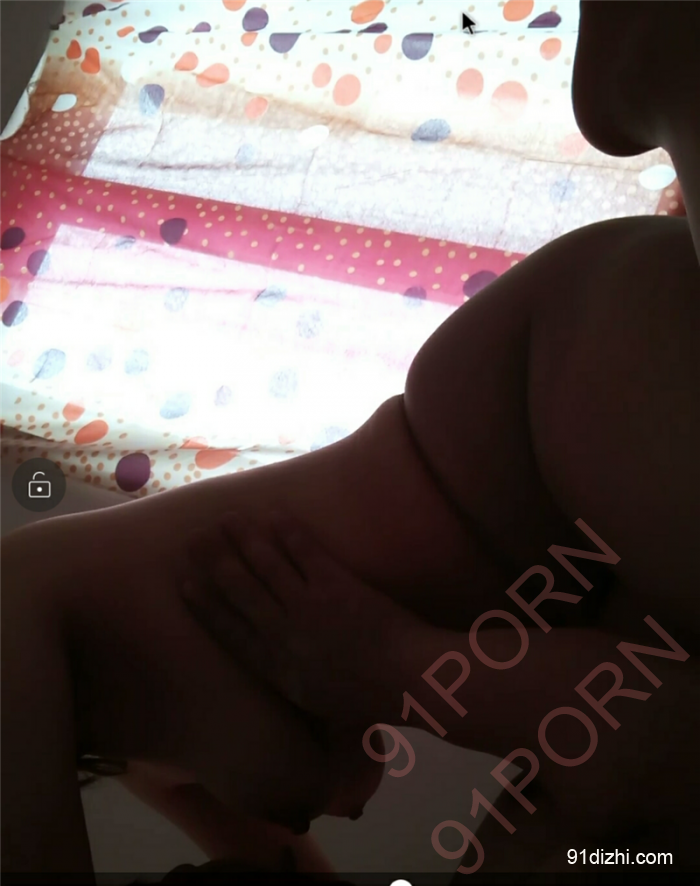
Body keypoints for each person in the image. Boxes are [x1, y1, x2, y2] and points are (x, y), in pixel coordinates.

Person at [2, 0, 698, 878]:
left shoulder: (21, 625)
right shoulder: (140, 758)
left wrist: (390, 665)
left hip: (521, 434)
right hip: (589, 566)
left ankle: (653, 56)